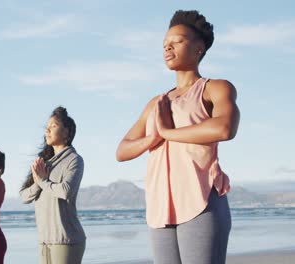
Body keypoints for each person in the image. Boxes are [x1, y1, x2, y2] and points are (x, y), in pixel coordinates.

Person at [116, 10, 240, 264]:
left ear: (199, 48)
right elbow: (122, 150)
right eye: (164, 44)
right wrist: (152, 139)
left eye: (178, 40)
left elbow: (225, 127)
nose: (168, 47)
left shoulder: (215, 88)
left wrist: (167, 133)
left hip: (201, 201)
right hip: (160, 208)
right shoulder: (156, 102)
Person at [20, 106, 86, 264]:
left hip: (66, 240)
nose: (47, 131)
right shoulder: (43, 163)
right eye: (47, 127)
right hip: (44, 240)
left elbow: (65, 191)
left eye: (53, 126)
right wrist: (39, 182)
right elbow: (24, 196)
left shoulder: (74, 160)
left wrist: (43, 181)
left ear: (66, 132)